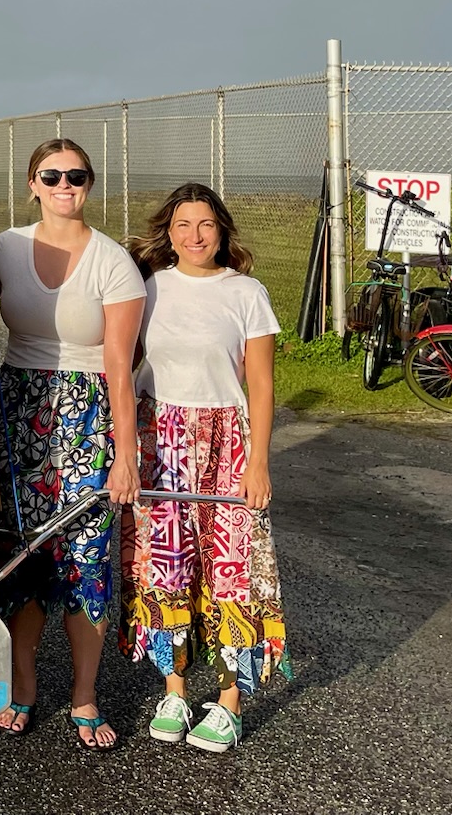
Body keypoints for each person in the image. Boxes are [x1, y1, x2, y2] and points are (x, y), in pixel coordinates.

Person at [0, 138, 145, 747]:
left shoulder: (113, 262)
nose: (64, 184)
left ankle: (84, 696)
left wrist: (126, 458)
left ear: (90, 184)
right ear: (32, 183)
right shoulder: (5, 248)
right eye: (52, 175)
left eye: (77, 175)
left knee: (85, 559)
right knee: (20, 554)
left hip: (87, 417)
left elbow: (120, 371)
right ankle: (23, 689)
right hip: (17, 412)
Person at [118, 182, 287, 754]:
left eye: (206, 225)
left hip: (226, 445)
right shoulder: (148, 289)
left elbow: (260, 385)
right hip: (158, 439)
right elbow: (122, 366)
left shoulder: (246, 293)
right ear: (168, 231)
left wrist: (258, 461)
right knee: (165, 567)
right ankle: (174, 689)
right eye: (183, 225)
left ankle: (230, 700)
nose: (194, 236)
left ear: (222, 232)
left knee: (230, 569)